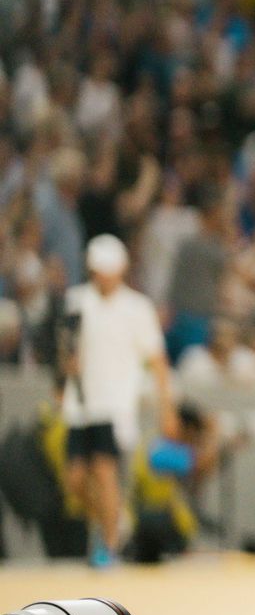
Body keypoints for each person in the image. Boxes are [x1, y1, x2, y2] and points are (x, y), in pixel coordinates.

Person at [60, 233, 180, 567]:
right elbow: (65, 348)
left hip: (114, 404)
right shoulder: (76, 300)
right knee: (76, 480)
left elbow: (158, 362)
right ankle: (114, 521)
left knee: (105, 472)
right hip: (79, 403)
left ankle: (108, 546)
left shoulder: (137, 308)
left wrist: (165, 408)